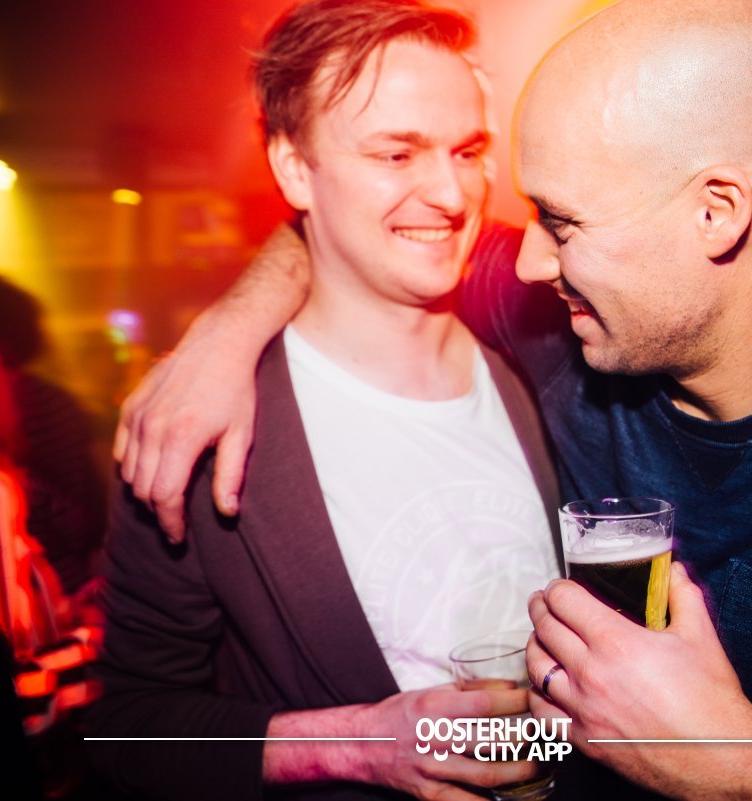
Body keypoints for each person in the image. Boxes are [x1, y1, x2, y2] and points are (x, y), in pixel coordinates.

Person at [111, 0, 752, 799]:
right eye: (400, 151)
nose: (516, 254)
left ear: (717, 213)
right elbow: (362, 235)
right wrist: (219, 336)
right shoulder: (558, 322)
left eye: (559, 220)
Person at [89, 2, 562, 799]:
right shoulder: (199, 430)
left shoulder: (544, 354)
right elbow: (127, 728)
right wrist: (357, 744)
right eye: (396, 153)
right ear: (293, 169)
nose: (451, 192)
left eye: (468, 150)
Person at [0, 273, 106, 596]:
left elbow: (83, 522)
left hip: (50, 591)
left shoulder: (41, 403)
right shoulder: (49, 399)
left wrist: (16, 477)